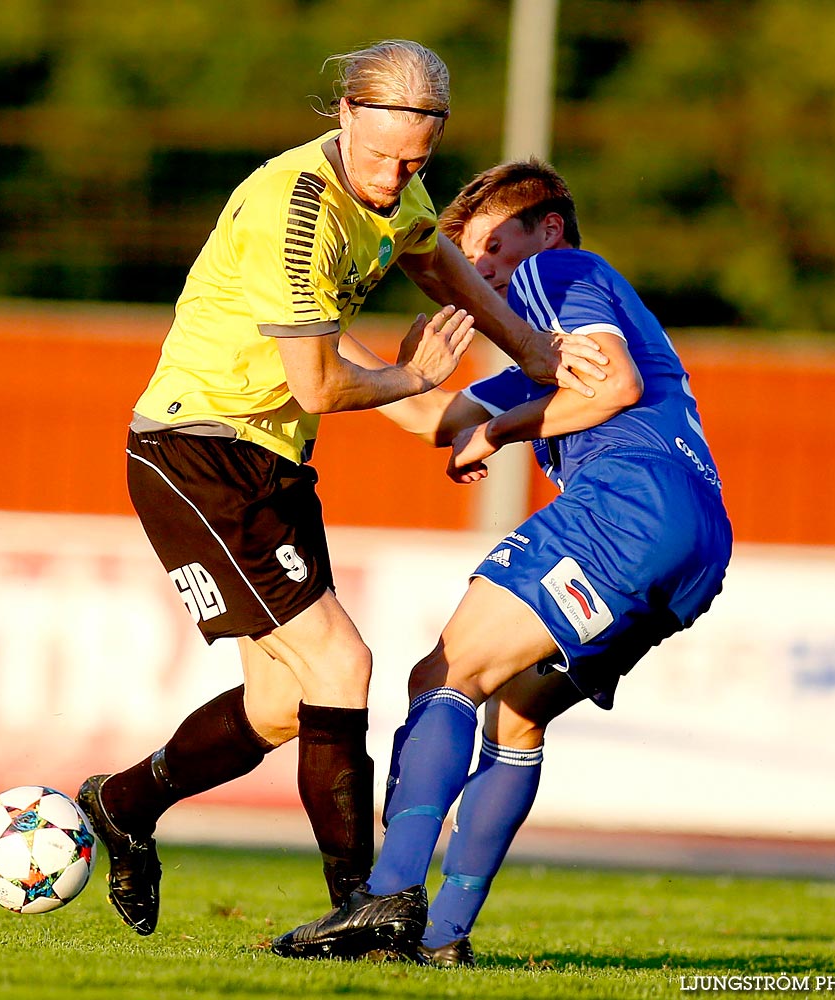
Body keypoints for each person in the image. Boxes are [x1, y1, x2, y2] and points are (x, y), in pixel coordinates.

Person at [77, 44, 610, 939]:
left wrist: (533, 352)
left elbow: (436, 262)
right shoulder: (296, 213)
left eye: (416, 161)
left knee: (283, 706)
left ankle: (122, 805)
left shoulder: (392, 190)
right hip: (196, 448)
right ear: (346, 116)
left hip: (272, 460)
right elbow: (322, 384)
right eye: (384, 157)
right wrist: (415, 380)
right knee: (343, 666)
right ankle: (359, 904)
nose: (397, 177)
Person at [271, 159, 733, 964]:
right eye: (469, 260)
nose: (478, 273)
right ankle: (443, 939)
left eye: (491, 248)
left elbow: (612, 386)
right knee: (515, 712)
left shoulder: (562, 269)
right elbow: (429, 420)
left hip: (628, 507)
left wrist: (499, 431)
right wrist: (305, 324)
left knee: (441, 677)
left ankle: (386, 900)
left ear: (546, 229)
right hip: (695, 546)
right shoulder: (541, 363)